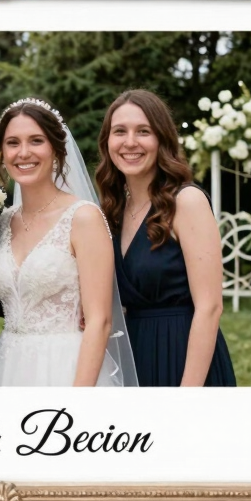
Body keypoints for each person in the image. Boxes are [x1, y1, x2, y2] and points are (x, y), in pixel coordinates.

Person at [0, 98, 136, 387]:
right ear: (2, 153)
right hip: (10, 365)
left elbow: (100, 321)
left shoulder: (83, 218)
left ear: (56, 149)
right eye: (13, 143)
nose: (24, 152)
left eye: (36, 141)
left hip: (65, 367)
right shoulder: (4, 220)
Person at [97, 89, 236, 387]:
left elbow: (210, 307)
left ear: (161, 139)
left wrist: (186, 395)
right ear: (107, 142)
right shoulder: (113, 212)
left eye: (143, 131)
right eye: (120, 131)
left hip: (183, 356)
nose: (130, 142)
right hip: (133, 357)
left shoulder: (187, 201)